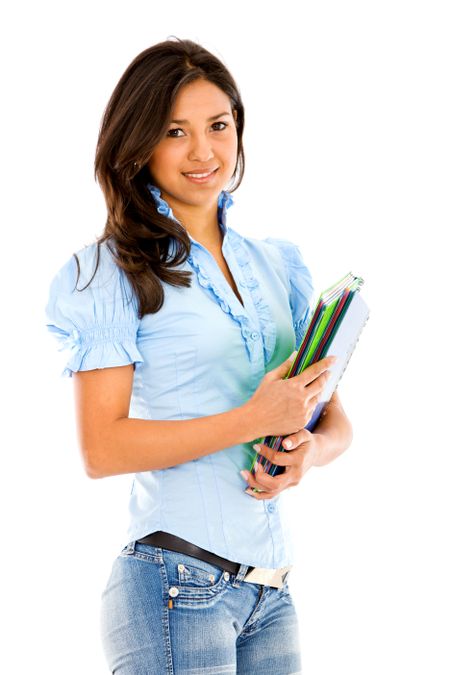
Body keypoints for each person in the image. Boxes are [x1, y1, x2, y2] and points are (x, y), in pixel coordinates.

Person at [45, 37, 353, 674]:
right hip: (173, 582)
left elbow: (331, 420)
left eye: (218, 125)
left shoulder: (277, 264)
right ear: (139, 145)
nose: (204, 151)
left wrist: (306, 454)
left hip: (270, 590)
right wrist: (252, 419)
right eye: (174, 132)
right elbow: (101, 450)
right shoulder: (110, 272)